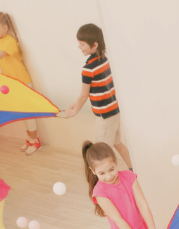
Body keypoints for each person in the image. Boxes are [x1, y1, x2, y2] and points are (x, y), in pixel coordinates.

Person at [57, 24, 134, 170]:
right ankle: (134, 168)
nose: (79, 47)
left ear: (94, 45)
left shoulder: (88, 69)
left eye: (82, 44)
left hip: (104, 116)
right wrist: (75, 104)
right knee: (117, 143)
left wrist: (74, 111)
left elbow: (84, 95)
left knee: (102, 154)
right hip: (114, 111)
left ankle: (109, 180)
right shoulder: (104, 60)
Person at [0, 12, 41, 154]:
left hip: (22, 82)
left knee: (28, 114)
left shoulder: (9, 40)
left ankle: (35, 142)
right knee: (21, 114)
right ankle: (30, 140)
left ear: (4, 28)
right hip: (12, 84)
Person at [83, 141, 157, 229]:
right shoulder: (100, 191)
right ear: (93, 171)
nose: (108, 176)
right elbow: (118, 220)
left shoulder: (129, 177)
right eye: (102, 173)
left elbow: (142, 204)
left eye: (111, 169)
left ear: (116, 163)